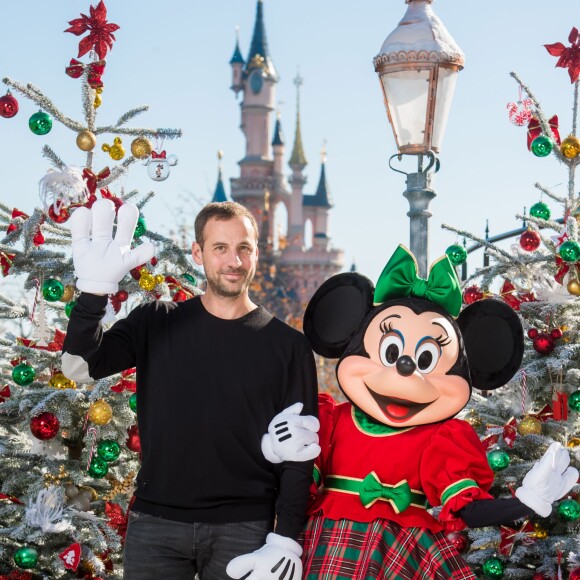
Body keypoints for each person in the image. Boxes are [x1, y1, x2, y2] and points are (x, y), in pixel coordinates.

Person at [62, 199, 319, 580]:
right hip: (156, 524)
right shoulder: (156, 322)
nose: (234, 261)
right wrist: (94, 293)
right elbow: (79, 367)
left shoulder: (288, 346)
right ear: (198, 253)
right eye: (220, 248)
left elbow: (300, 456)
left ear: (256, 254)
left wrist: (284, 540)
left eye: (243, 248)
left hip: (246, 529)